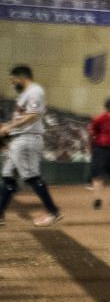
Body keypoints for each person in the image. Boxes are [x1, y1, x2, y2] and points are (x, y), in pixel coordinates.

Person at [0, 64, 63, 226]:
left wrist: (9, 127)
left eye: (14, 80)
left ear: (21, 77)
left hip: (27, 139)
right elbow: (23, 116)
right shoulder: (26, 94)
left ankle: (53, 212)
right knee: (8, 175)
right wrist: (7, 126)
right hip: (19, 139)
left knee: (31, 177)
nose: (13, 84)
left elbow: (33, 115)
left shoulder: (35, 91)